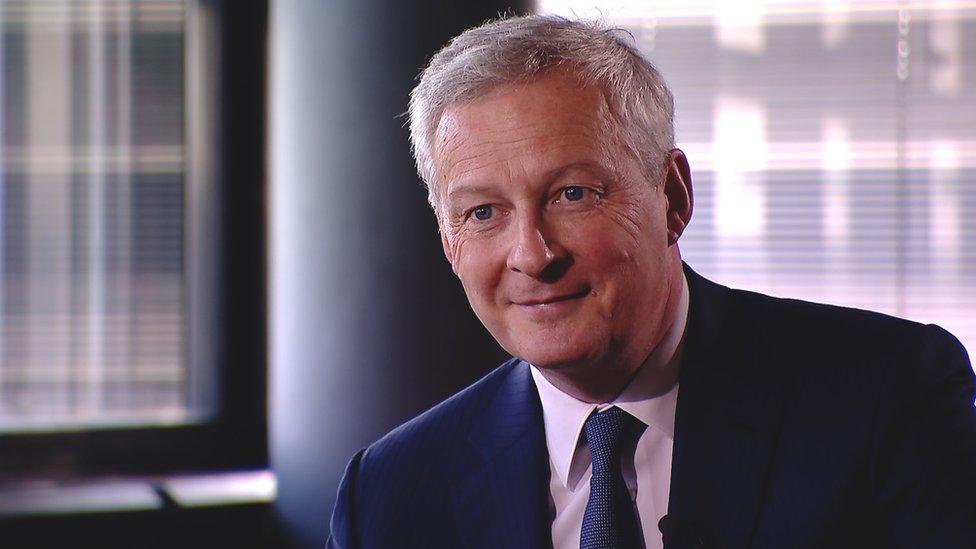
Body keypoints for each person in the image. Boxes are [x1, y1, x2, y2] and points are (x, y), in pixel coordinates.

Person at [327, 14, 976, 549]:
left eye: (573, 193)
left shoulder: (889, 394)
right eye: (484, 212)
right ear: (450, 242)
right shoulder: (389, 494)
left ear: (672, 196)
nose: (532, 254)